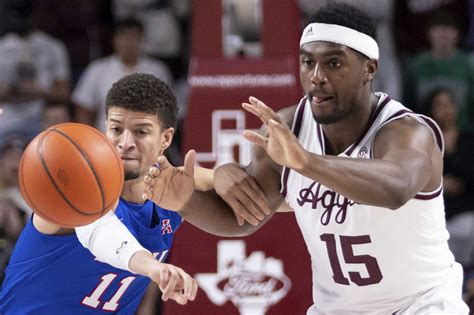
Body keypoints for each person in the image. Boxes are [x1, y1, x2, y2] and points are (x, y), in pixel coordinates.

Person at [146, 3, 469, 314]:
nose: (316, 76)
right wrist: (185, 202)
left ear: (369, 68)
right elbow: (244, 217)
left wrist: (306, 162)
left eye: (333, 63)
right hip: (338, 309)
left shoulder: (406, 131)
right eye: (307, 62)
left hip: (421, 303)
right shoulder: (287, 128)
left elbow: (396, 188)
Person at [0, 73, 199, 314]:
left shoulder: (172, 188)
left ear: (165, 138)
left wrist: (247, 167)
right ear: (103, 129)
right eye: (116, 129)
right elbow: (98, 230)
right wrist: (152, 267)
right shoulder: (76, 188)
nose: (125, 143)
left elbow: (227, 194)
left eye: (141, 132)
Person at [73, 18, 173, 132]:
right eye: (124, 36)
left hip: (146, 140)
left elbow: (167, 110)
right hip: (106, 140)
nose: (129, 42)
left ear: (142, 40)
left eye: (134, 37)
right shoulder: (98, 69)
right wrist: (92, 139)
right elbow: (83, 108)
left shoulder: (157, 70)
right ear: (115, 40)